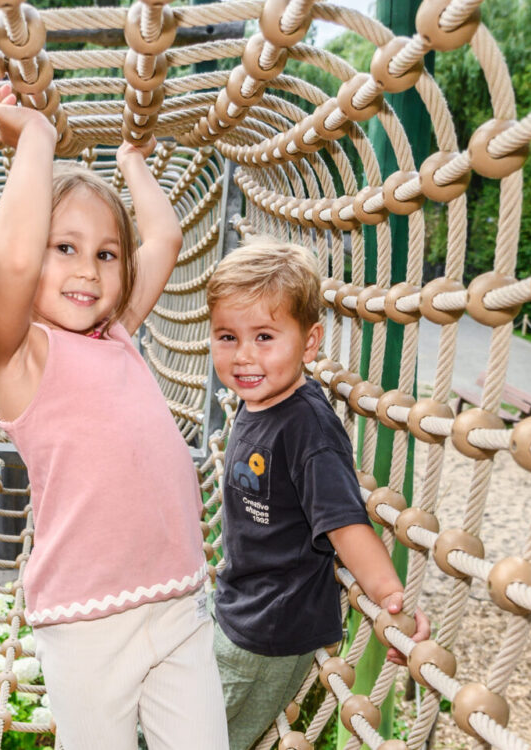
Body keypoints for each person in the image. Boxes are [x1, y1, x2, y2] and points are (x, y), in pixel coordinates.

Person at [0, 83, 226, 749]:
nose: (89, 270)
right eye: (65, 247)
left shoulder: (117, 331)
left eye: (106, 254)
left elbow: (164, 236)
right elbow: (13, 260)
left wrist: (132, 160)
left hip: (177, 603)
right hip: (87, 625)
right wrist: (37, 138)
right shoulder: (16, 355)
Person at [205, 239, 428, 750]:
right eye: (227, 336)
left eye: (264, 337)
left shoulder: (307, 426)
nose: (244, 355)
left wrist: (390, 599)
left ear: (309, 344)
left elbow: (344, 522)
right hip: (239, 608)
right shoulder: (257, 398)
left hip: (268, 631)